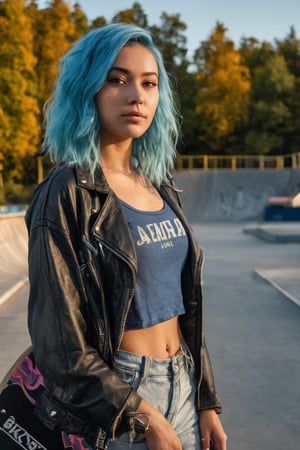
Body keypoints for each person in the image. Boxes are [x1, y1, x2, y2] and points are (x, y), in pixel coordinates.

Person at [25, 23, 227, 450]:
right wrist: (141, 414)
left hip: (183, 384)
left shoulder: (160, 183)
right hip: (120, 401)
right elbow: (59, 345)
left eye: (149, 83)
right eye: (116, 79)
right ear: (88, 90)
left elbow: (184, 305)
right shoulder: (66, 191)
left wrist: (206, 399)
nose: (136, 95)